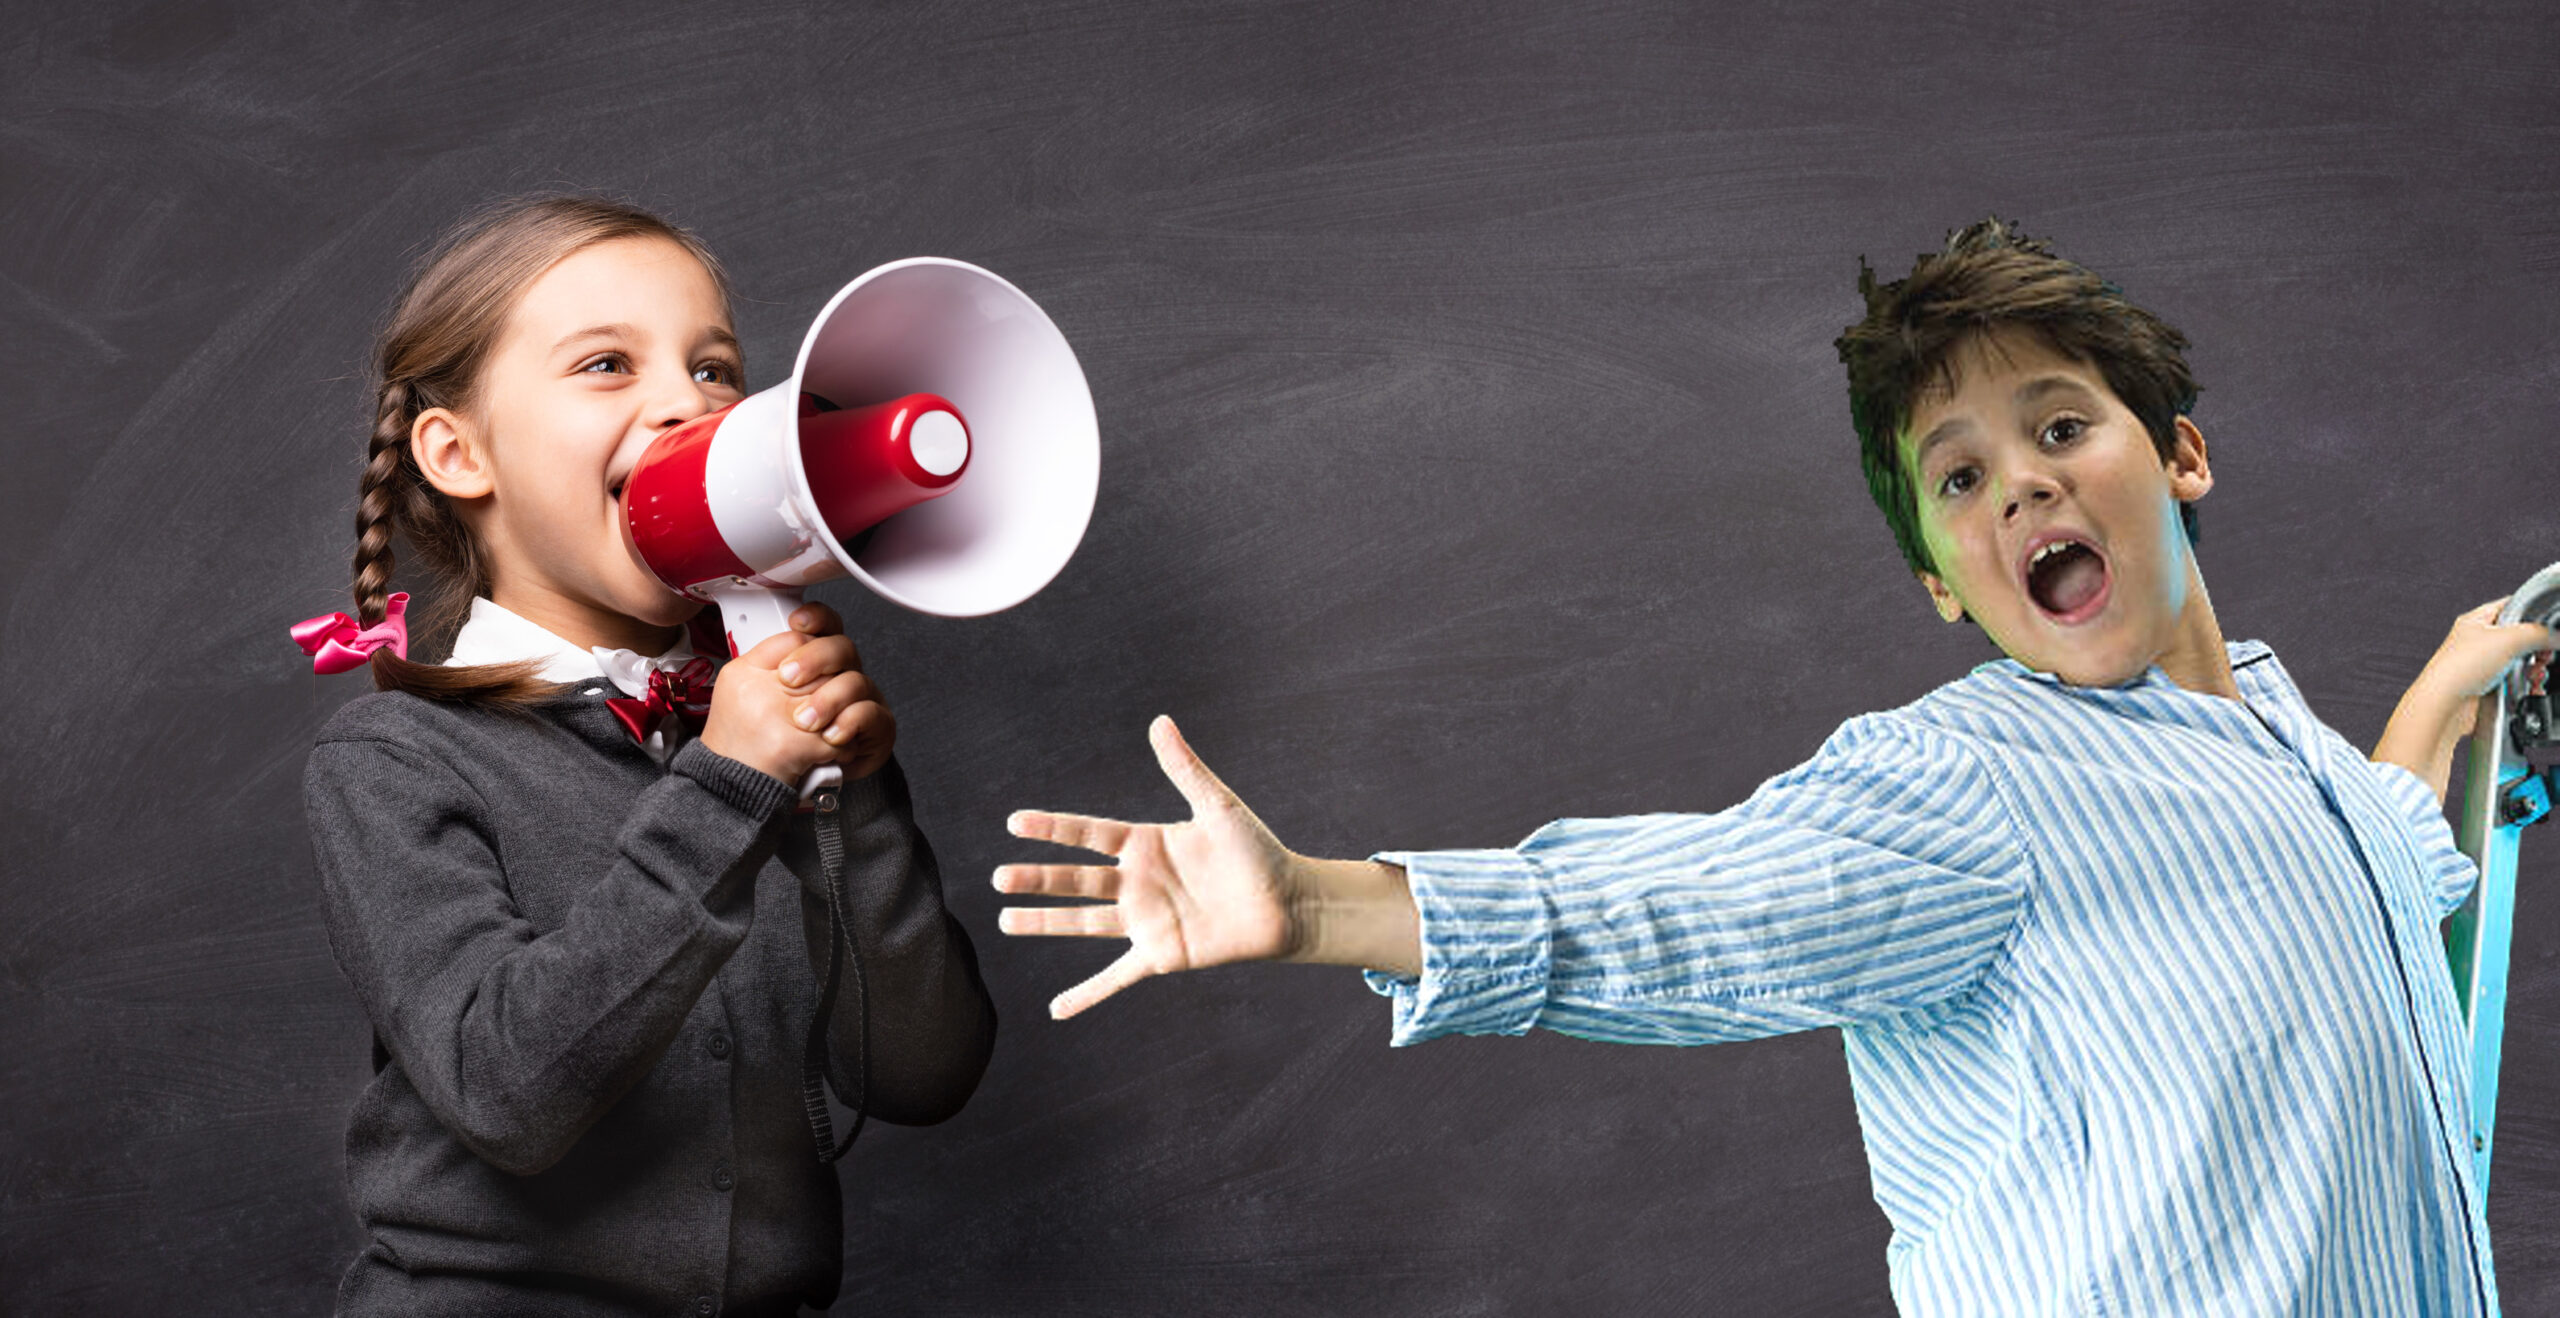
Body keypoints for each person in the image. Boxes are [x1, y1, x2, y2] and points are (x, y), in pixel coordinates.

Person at [995, 219, 2552, 1315]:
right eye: (1961, 477)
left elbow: (2383, 854)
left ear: (2183, 457)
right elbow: (1698, 908)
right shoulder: (1972, 784)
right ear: (1945, 582)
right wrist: (1323, 903)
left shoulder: (2289, 747)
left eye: (2061, 425)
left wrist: (2442, 689)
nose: (2021, 481)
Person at [296, 195, 995, 1316]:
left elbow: (922, 1073)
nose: (687, 402)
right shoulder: (396, 758)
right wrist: (726, 788)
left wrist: (849, 803)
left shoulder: (750, 739)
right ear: (459, 452)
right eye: (607, 365)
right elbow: (506, 1092)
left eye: (715, 368)